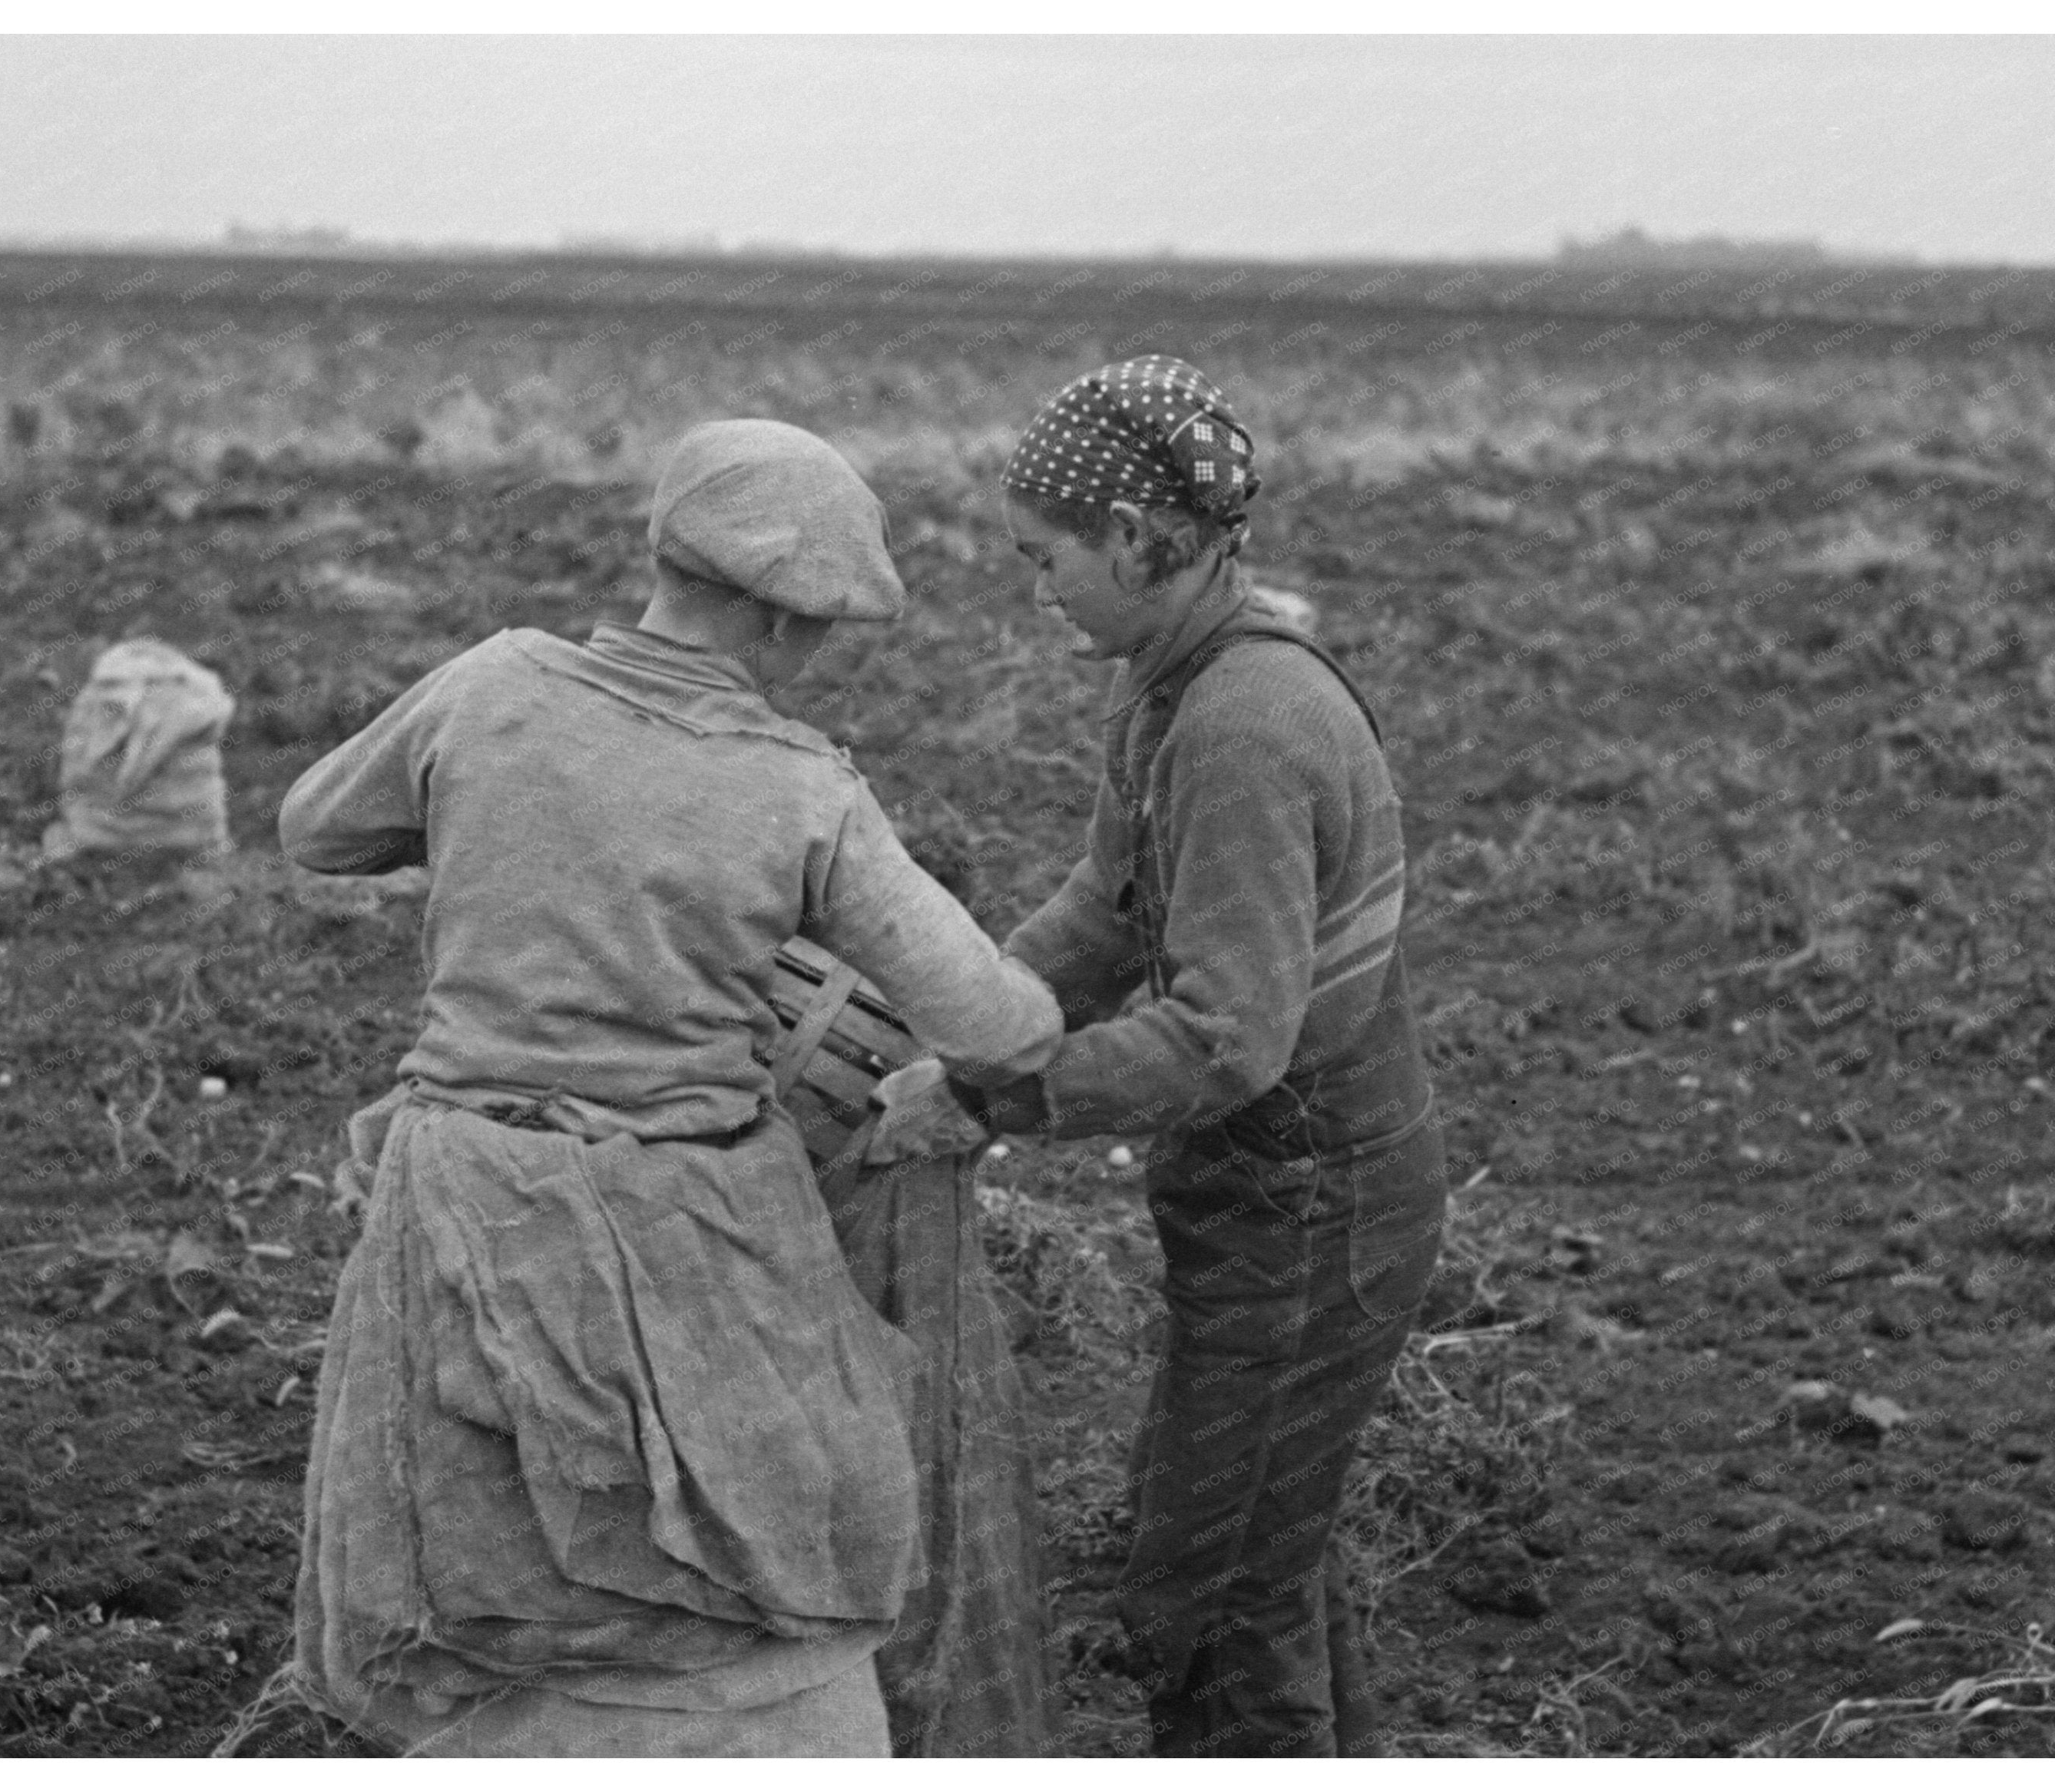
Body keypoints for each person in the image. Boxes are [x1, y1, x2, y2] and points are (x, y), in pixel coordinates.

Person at [280, 419, 1063, 1757]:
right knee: (752, 1550)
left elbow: (316, 826)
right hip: (697, 1225)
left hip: (465, 1194)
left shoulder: (490, 687)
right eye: (817, 630)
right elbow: (994, 1020)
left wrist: (506, 824)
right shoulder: (800, 788)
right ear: (775, 620)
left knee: (485, 1541)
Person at [871, 355, 1447, 1757]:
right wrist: (959, 1004)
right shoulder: (1166, 684)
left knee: (1204, 1589)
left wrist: (986, 1096)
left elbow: (1224, 1038)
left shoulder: (1243, 726)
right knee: (1262, 1550)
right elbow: (1104, 908)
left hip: (1315, 1206)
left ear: (1136, 536)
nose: (1035, 589)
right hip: (1276, 1198)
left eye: (1043, 556)